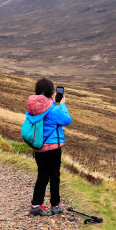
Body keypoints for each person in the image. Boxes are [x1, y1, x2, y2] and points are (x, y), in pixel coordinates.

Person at [26, 77, 71, 216]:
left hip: (39, 147)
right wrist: (62, 104)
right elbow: (66, 120)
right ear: (52, 93)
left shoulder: (33, 108)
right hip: (52, 148)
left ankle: (36, 205)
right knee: (54, 176)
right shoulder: (53, 109)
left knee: (42, 176)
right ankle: (55, 205)